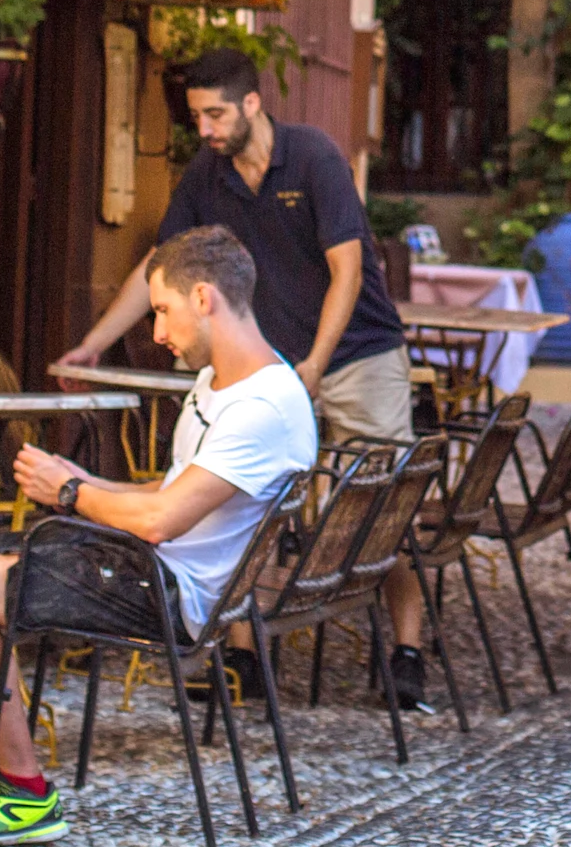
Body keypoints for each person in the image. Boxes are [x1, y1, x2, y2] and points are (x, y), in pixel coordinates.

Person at [0, 226, 318, 847]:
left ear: (204, 298)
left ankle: (27, 792)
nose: (158, 333)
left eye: (162, 312)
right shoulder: (224, 384)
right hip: (142, 560)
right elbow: (172, 496)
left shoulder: (261, 408)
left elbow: (163, 522)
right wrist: (90, 481)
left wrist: (69, 492)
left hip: (167, 589)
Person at [57, 42, 440, 708]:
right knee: (250, 503)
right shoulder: (207, 177)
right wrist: (93, 344)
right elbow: (159, 263)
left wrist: (315, 365)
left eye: (213, 115)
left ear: (252, 104)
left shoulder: (314, 156)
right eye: (197, 117)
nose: (203, 130)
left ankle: (408, 648)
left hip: (357, 356)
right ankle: (247, 660)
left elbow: (348, 270)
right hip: (276, 372)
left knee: (382, 502)